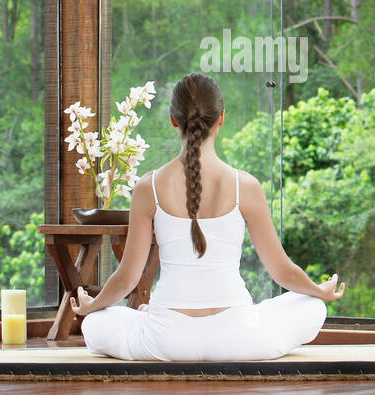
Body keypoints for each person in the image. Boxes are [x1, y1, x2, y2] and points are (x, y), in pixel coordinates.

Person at [70, 72, 344, 361]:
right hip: (237, 339)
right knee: (313, 307)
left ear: (174, 119)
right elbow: (282, 271)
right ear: (221, 118)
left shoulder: (147, 187)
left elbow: (127, 279)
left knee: (97, 322)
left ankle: (149, 315)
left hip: (166, 340)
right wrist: (318, 290)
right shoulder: (246, 186)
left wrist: (92, 306)